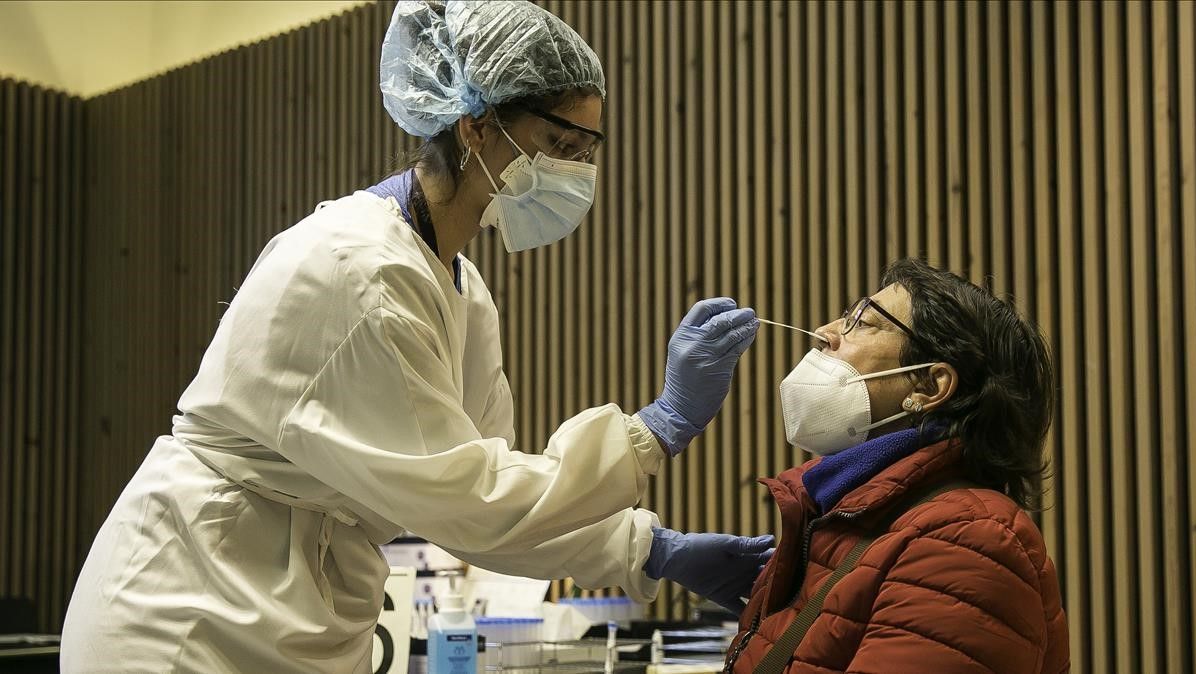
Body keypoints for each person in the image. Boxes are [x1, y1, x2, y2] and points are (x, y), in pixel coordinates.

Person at [61, 2, 768, 671]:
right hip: (189, 611)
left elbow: (492, 498)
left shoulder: (459, 287)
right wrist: (656, 428)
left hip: (289, 606)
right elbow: (470, 501)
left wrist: (649, 549)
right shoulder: (357, 267)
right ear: (476, 126)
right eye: (559, 144)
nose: (576, 172)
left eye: (587, 151)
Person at [719, 259, 1069, 674]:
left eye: (861, 323)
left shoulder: (965, 539)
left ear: (929, 386)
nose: (824, 334)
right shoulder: (846, 517)